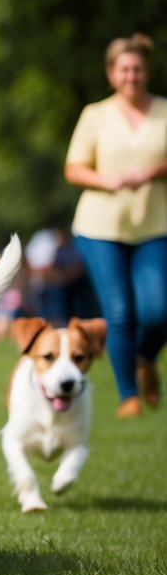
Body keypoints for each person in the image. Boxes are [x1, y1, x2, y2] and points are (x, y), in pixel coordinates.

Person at [65, 33, 167, 418]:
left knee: (158, 310)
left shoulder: (163, 112)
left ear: (147, 71)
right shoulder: (95, 115)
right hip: (100, 227)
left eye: (137, 68)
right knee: (121, 311)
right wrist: (105, 180)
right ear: (111, 73)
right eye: (124, 69)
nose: (131, 75)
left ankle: (146, 358)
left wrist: (153, 172)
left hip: (155, 223)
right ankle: (129, 396)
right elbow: (73, 168)